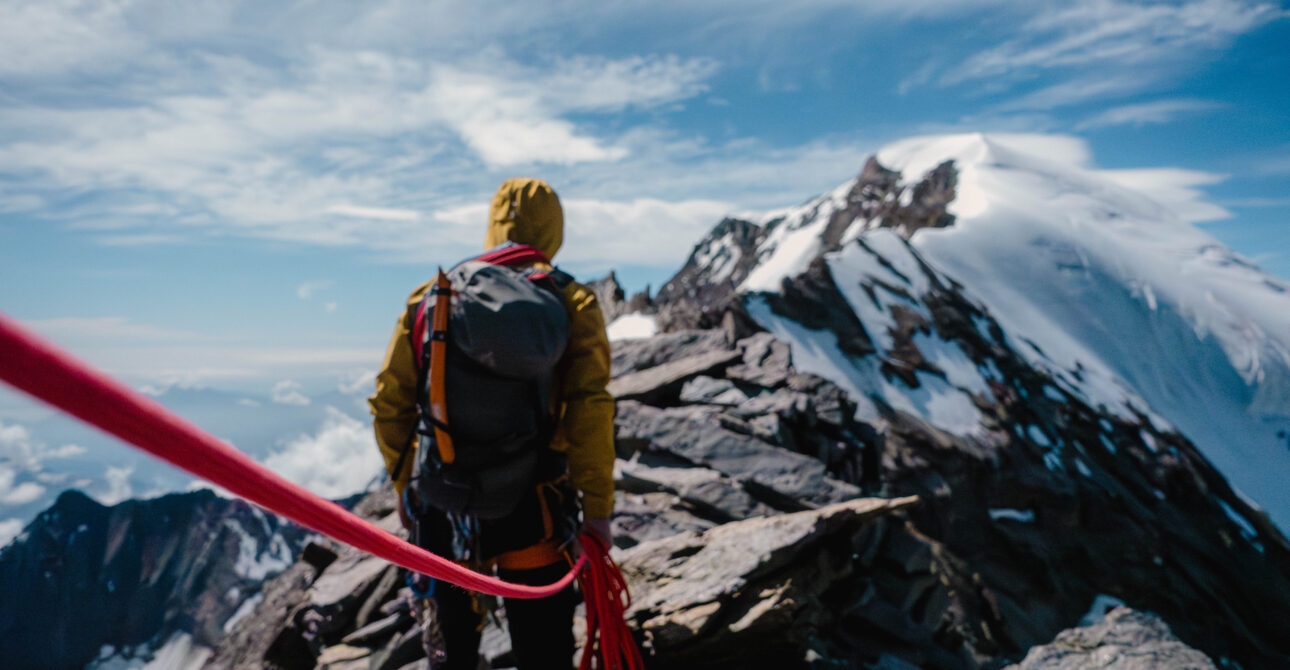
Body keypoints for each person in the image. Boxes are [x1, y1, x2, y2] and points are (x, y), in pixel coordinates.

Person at [369, 178, 615, 670]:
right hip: (536, 510)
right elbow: (590, 409)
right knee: (544, 653)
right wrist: (598, 510)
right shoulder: (572, 300)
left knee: (452, 650)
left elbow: (389, 403)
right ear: (555, 228)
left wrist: (405, 485)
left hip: (445, 506)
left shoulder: (430, 297)